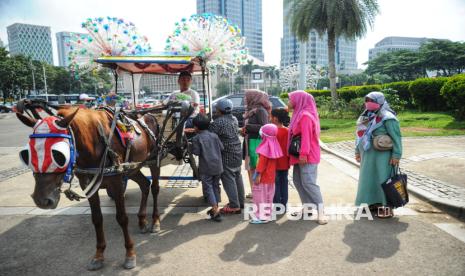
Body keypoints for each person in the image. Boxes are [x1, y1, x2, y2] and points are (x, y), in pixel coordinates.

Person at [355, 91, 402, 218]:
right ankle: (372, 203)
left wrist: (396, 155)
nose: (368, 103)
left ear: (380, 102)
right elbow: (359, 136)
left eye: (372, 100)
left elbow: (396, 137)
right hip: (367, 154)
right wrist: (357, 151)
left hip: (383, 155)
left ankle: (387, 207)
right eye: (367, 100)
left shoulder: (388, 117)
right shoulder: (365, 116)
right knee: (368, 179)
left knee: (384, 179)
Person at [287, 90, 327, 225]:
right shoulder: (298, 114)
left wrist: (303, 154)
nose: (289, 102)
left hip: (307, 154)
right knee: (298, 182)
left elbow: (306, 136)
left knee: (309, 183)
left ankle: (321, 212)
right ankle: (307, 208)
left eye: (290, 99)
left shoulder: (305, 115)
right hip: (299, 154)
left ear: (299, 100)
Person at [210, 99, 245, 214]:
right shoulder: (234, 119)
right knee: (237, 176)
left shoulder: (218, 122)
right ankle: (240, 202)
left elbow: (210, 136)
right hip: (237, 151)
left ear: (219, 110)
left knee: (228, 178)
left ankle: (234, 205)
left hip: (227, 154)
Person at [191, 114, 224, 222]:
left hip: (206, 168)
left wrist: (190, 146)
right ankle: (215, 207)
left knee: (208, 188)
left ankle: (215, 211)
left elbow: (196, 152)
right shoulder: (214, 135)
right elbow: (222, 148)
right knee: (215, 185)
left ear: (196, 127)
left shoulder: (196, 138)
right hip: (218, 166)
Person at [250, 124, 283, 224]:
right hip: (271, 178)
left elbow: (261, 164)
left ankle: (261, 216)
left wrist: (257, 175)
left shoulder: (264, 148)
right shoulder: (274, 146)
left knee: (260, 197)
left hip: (263, 177)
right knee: (268, 196)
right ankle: (267, 214)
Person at [242, 89, 271, 199]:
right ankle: (254, 191)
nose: (245, 99)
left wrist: (248, 128)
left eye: (247, 96)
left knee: (256, 168)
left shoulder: (260, 111)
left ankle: (259, 193)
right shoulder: (250, 110)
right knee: (250, 168)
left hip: (256, 144)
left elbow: (264, 128)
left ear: (254, 97)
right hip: (248, 142)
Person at [270, 108, 290, 208]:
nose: (270, 118)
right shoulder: (287, 131)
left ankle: (277, 205)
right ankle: (284, 204)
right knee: (284, 182)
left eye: (271, 116)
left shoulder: (272, 131)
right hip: (285, 162)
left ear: (275, 119)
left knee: (275, 184)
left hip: (274, 162)